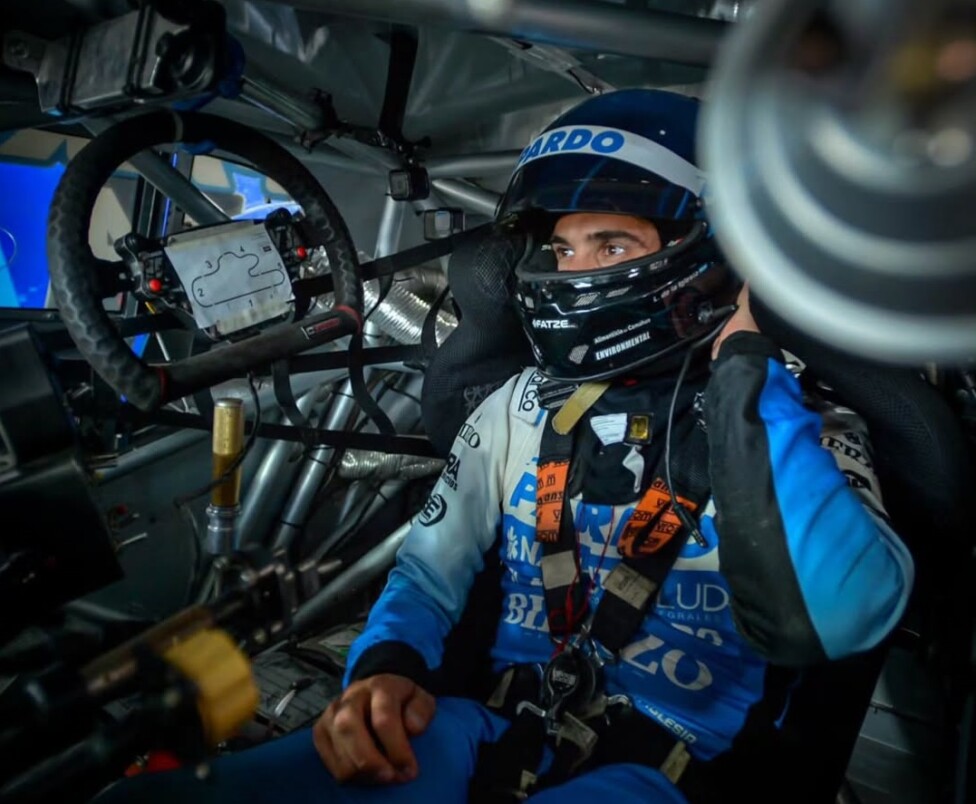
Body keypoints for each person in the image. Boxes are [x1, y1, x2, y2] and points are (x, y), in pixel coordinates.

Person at [93, 88, 913, 804]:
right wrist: (385, 670)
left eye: (612, 246)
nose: (574, 272)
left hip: (661, 772)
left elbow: (838, 619)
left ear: (720, 256)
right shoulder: (519, 405)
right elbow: (429, 573)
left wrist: (745, 371)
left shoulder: (810, 426)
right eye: (562, 248)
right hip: (477, 727)